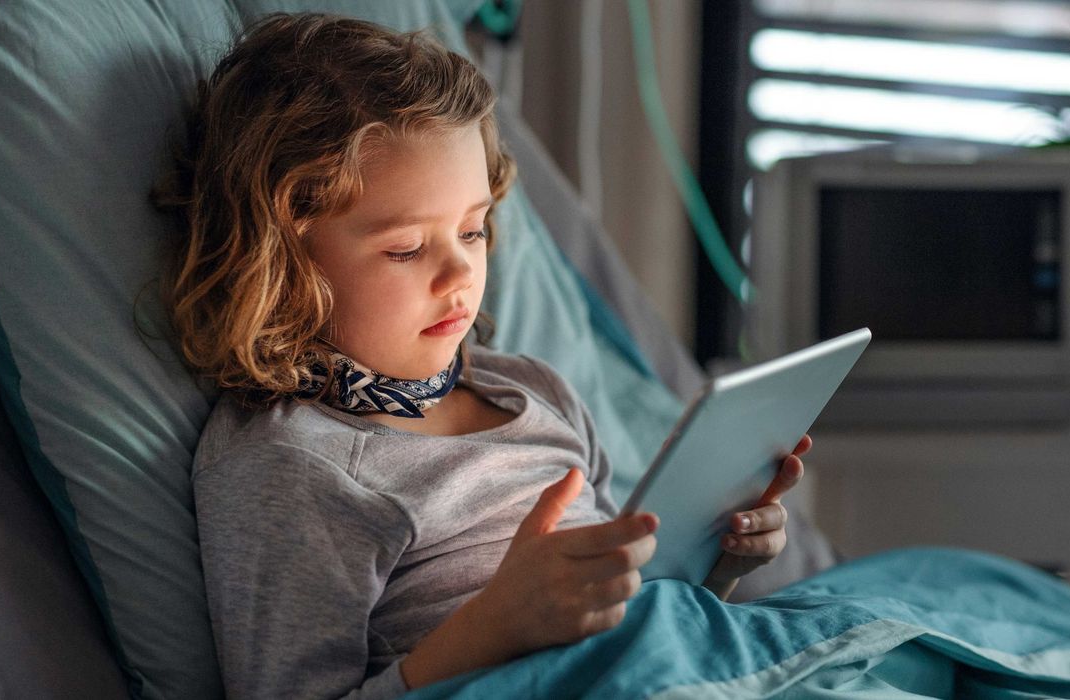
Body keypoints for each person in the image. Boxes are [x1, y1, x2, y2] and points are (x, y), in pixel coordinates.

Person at [151, 12, 809, 699]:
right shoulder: (292, 467)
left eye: (472, 231)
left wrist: (717, 563)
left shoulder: (535, 390)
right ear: (281, 264)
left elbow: (626, 604)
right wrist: (492, 628)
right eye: (406, 248)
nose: (460, 273)